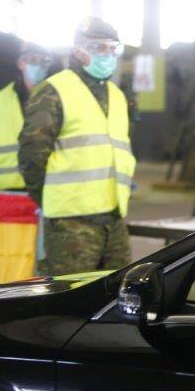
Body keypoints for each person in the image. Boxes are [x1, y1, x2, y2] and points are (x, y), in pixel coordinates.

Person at [18, 17, 136, 276]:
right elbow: (31, 156)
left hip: (114, 219)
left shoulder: (116, 95)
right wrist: (49, 199)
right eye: (98, 48)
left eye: (111, 48)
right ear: (77, 50)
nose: (106, 55)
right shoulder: (54, 91)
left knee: (118, 296)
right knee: (71, 299)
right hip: (71, 223)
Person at [0, 43, 52, 190]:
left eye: (44, 61)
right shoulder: (0, 99)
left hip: (45, 188)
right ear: (21, 63)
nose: (39, 65)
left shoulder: (55, 98)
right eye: (33, 59)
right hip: (7, 188)